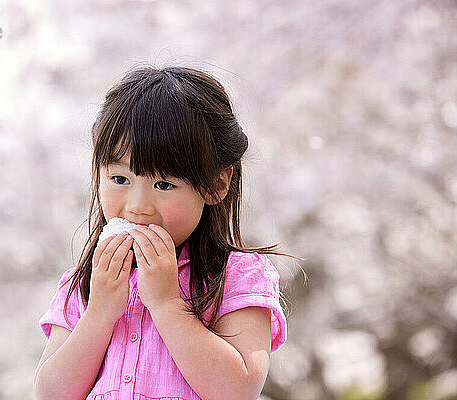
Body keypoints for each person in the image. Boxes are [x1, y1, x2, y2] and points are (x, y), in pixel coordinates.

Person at [33, 66, 299, 400]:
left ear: (217, 184)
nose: (137, 206)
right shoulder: (88, 282)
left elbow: (238, 390)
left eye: (163, 184)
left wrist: (167, 304)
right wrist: (100, 313)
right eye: (119, 180)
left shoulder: (238, 277)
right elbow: (51, 394)